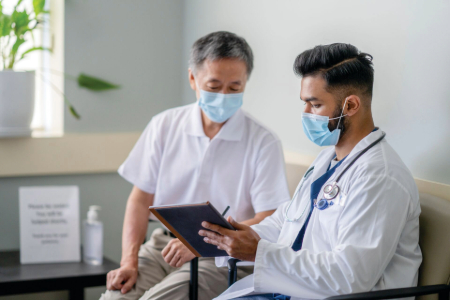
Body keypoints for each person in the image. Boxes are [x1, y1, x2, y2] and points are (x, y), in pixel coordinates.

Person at [199, 43, 422, 300]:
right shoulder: (328, 158)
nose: (305, 113)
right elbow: (289, 220)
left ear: (350, 106)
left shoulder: (380, 177)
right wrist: (244, 237)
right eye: (305, 103)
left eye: (314, 105)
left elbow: (351, 278)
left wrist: (259, 251)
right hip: (291, 289)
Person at [99, 31, 291, 300]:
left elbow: (270, 216)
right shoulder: (164, 126)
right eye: (213, 86)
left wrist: (201, 243)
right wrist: (129, 261)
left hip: (223, 257)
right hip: (163, 245)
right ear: (193, 78)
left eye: (235, 87)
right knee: (115, 297)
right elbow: (140, 201)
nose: (224, 95)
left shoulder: (263, 141)